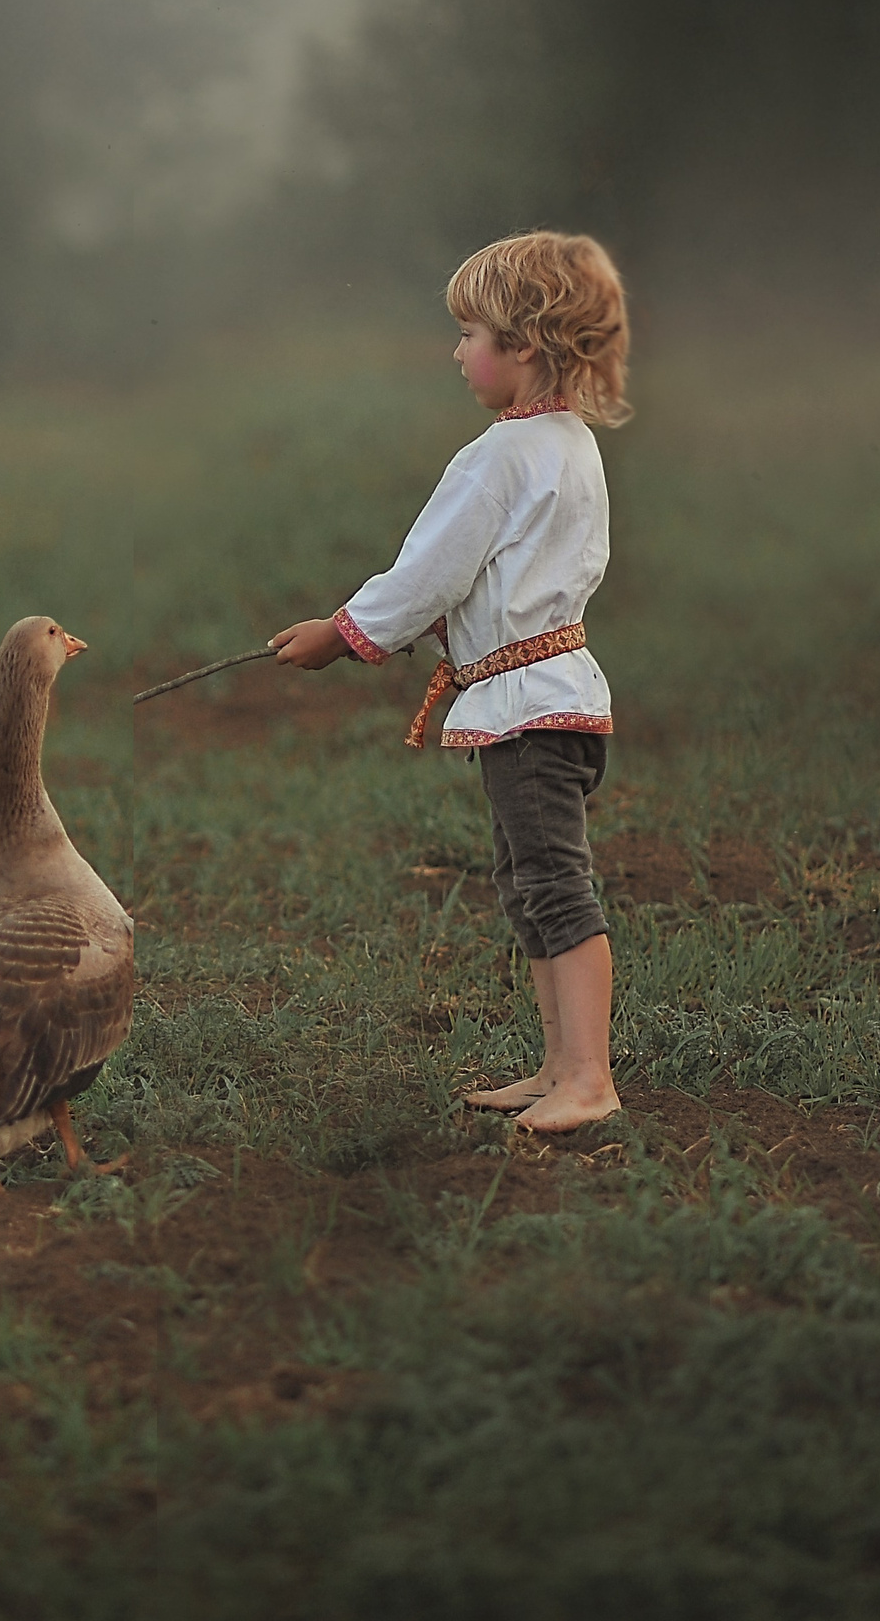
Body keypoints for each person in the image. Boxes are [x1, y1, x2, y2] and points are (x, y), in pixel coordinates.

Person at [268, 230, 630, 1133]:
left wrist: (344, 635)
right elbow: (498, 577)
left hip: (530, 711)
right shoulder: (568, 443)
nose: (458, 351)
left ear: (526, 347)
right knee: (526, 879)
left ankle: (589, 1077)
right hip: (554, 697)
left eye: (472, 333)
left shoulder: (499, 457)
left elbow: (429, 574)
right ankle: (558, 1067)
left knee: (553, 883)